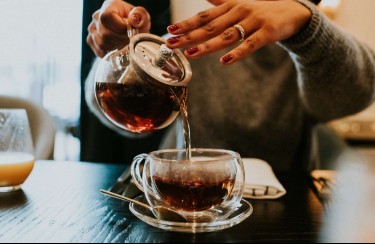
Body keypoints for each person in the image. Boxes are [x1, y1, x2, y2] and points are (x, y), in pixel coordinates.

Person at [85, 0, 375, 171]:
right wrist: (122, 54)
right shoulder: (182, 28)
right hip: (173, 203)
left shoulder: (296, 33)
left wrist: (307, 23)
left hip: (285, 212)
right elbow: (111, 112)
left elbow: (352, 95)